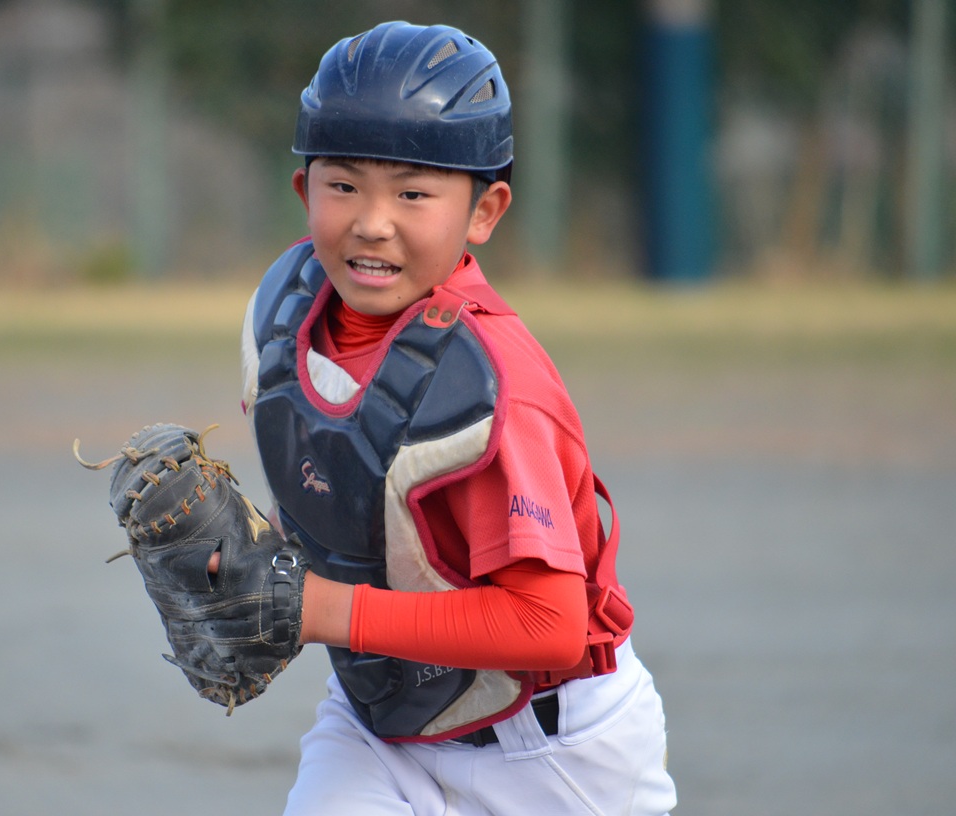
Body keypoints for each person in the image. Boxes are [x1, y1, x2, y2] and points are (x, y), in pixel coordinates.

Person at [238, 20, 677, 815]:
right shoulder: (287, 317)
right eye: (344, 184)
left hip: (553, 747)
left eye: (412, 192)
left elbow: (548, 623)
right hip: (384, 719)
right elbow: (350, 491)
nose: (373, 221)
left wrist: (317, 610)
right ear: (304, 191)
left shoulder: (493, 384)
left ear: (484, 211)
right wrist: (239, 568)